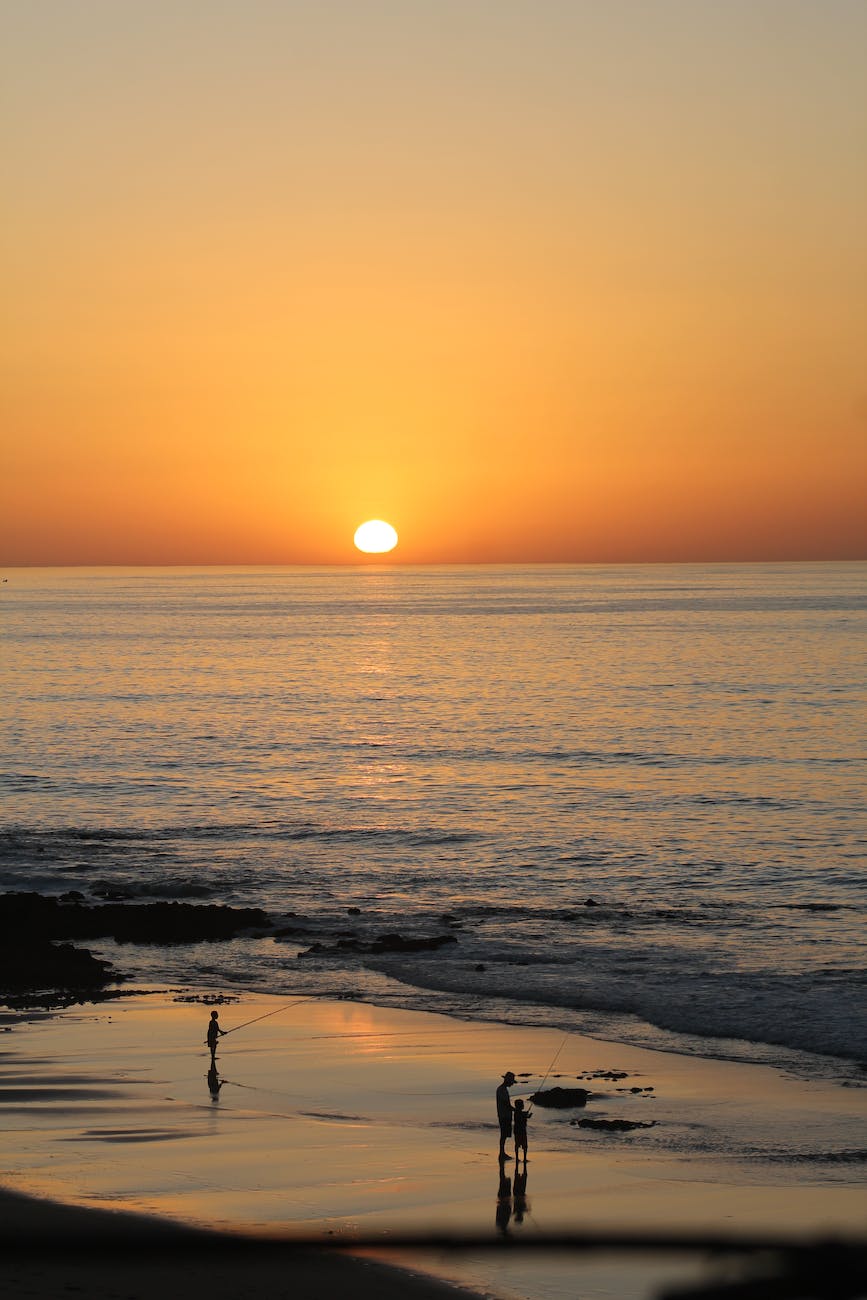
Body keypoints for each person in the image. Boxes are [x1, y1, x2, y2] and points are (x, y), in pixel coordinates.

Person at [496, 1070, 516, 1159]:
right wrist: (515, 1110)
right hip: (504, 1115)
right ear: (507, 1081)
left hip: (505, 1115)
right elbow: (506, 1104)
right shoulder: (501, 1090)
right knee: (503, 1135)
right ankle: (501, 1154)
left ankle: (502, 1153)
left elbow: (506, 1104)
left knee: (504, 1135)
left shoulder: (503, 1089)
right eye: (511, 1082)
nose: (512, 1084)